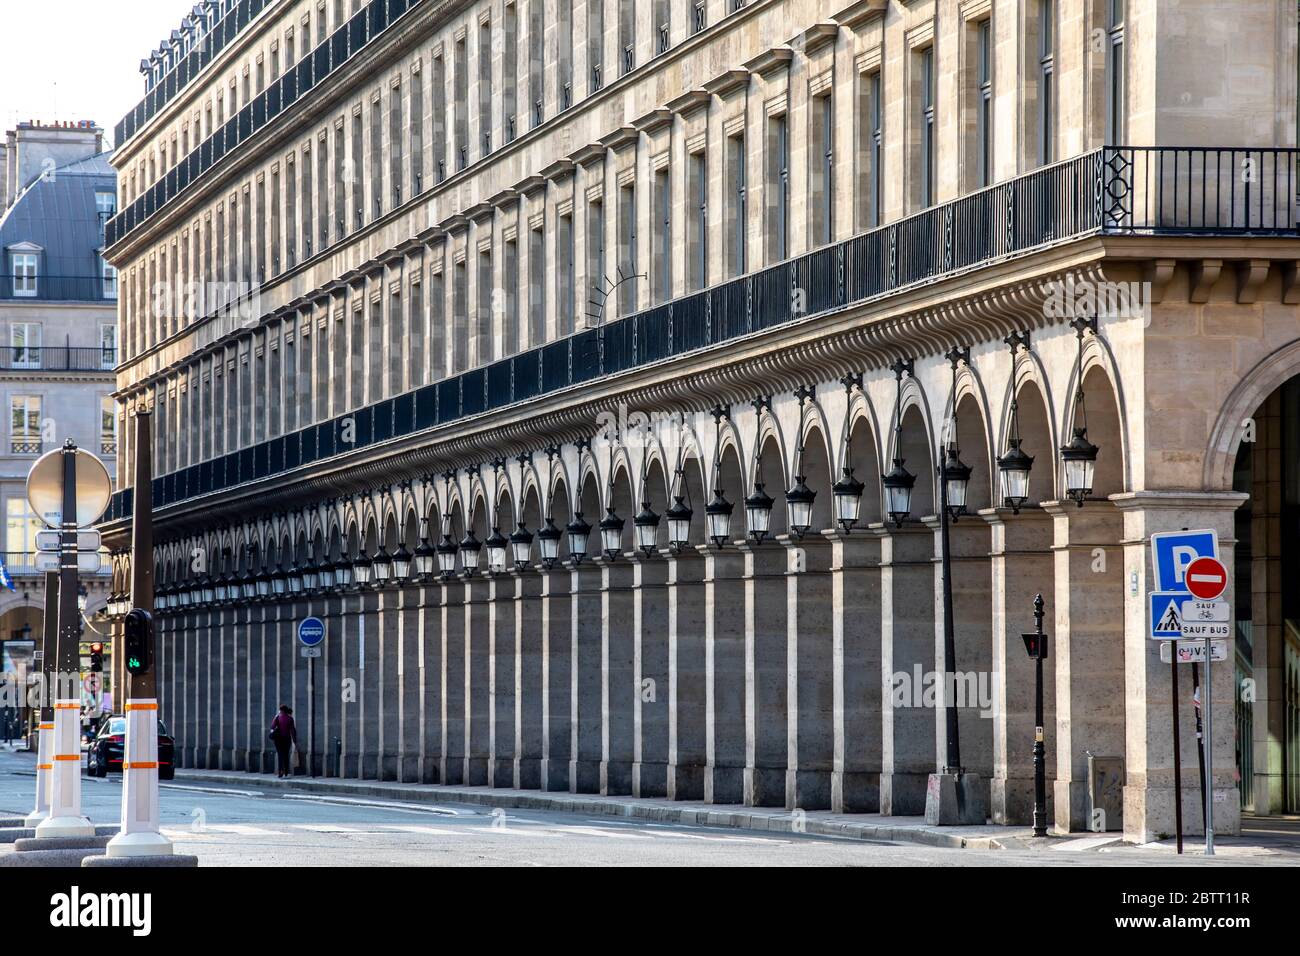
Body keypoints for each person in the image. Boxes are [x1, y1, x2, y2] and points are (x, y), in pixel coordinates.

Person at [268, 704, 297, 778]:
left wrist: (276, 717)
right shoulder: (290, 718)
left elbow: (272, 727)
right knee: (286, 755)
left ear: (281, 710)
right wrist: (294, 740)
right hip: (287, 739)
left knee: (280, 755)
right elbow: (292, 730)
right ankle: (286, 771)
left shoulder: (278, 717)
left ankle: (280, 771)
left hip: (278, 739)